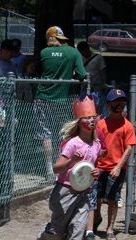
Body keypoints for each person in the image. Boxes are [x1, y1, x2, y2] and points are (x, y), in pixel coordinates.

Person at [25, 95, 101, 240]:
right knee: (57, 232)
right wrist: (73, 160)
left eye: (93, 117)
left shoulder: (97, 144)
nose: (91, 120)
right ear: (79, 121)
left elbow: (92, 167)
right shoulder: (73, 143)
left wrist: (96, 173)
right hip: (64, 192)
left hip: (84, 193)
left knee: (77, 233)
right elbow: (56, 169)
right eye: (87, 117)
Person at [34, 26, 86, 179]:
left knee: (45, 134)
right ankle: (60, 166)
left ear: (49, 38)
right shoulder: (73, 52)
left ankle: (49, 170)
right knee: (61, 132)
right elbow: (82, 74)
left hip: (42, 96)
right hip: (62, 99)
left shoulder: (44, 52)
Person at [93, 89, 136, 240]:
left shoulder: (127, 126)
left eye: (122, 102)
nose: (120, 105)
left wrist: (118, 167)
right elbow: (94, 144)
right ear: (108, 105)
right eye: (116, 102)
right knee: (96, 196)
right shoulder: (101, 124)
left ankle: (110, 228)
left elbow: (129, 148)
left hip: (117, 168)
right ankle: (97, 217)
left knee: (112, 198)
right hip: (99, 166)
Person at [77, 41, 108, 117]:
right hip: (84, 89)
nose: (83, 54)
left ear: (88, 49)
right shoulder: (80, 59)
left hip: (97, 89)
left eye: (84, 51)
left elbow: (103, 73)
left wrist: (105, 86)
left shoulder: (98, 58)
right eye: (81, 52)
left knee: (97, 109)